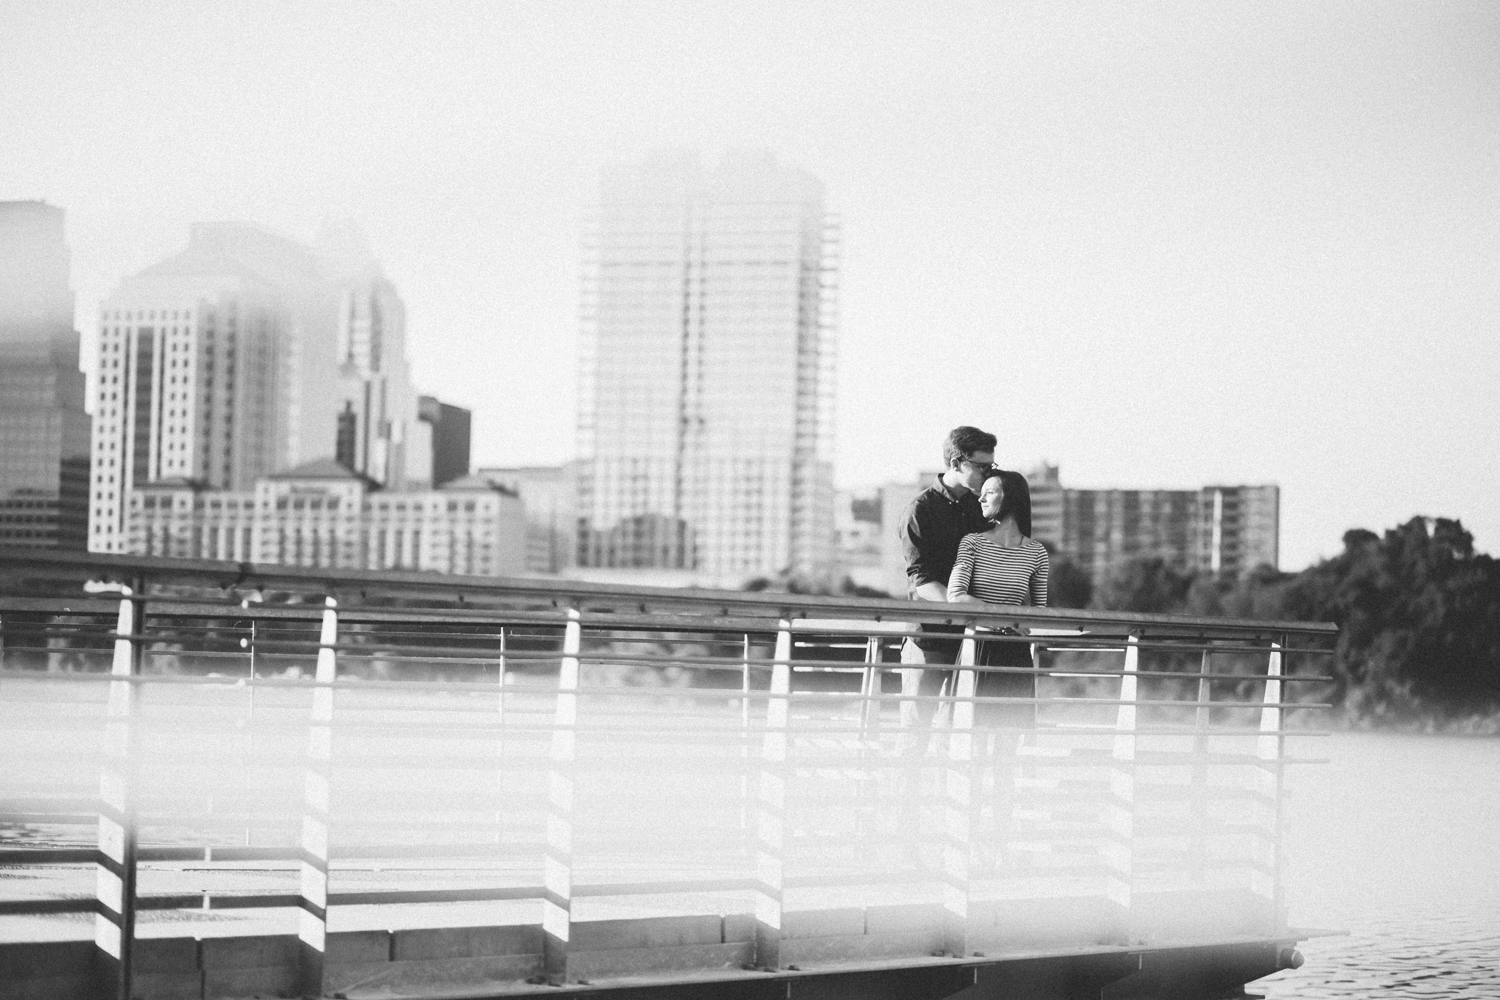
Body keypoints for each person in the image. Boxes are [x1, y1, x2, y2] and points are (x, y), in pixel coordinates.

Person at [897, 425, 996, 729]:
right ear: (956, 464)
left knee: (961, 731)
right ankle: (907, 780)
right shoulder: (920, 509)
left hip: (974, 636)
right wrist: (970, 610)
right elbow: (921, 580)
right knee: (916, 729)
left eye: (991, 466)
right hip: (930, 637)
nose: (988, 473)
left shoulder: (983, 506)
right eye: (981, 466)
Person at [947, 468, 1050, 727]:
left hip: (1015, 654)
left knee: (1009, 741)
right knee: (972, 737)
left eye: (989, 493)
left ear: (1010, 498)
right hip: (978, 647)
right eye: (980, 494)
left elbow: (1040, 611)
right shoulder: (972, 543)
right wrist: (1005, 620)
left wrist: (1009, 621)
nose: (980, 500)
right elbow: (955, 596)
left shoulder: (1037, 553)